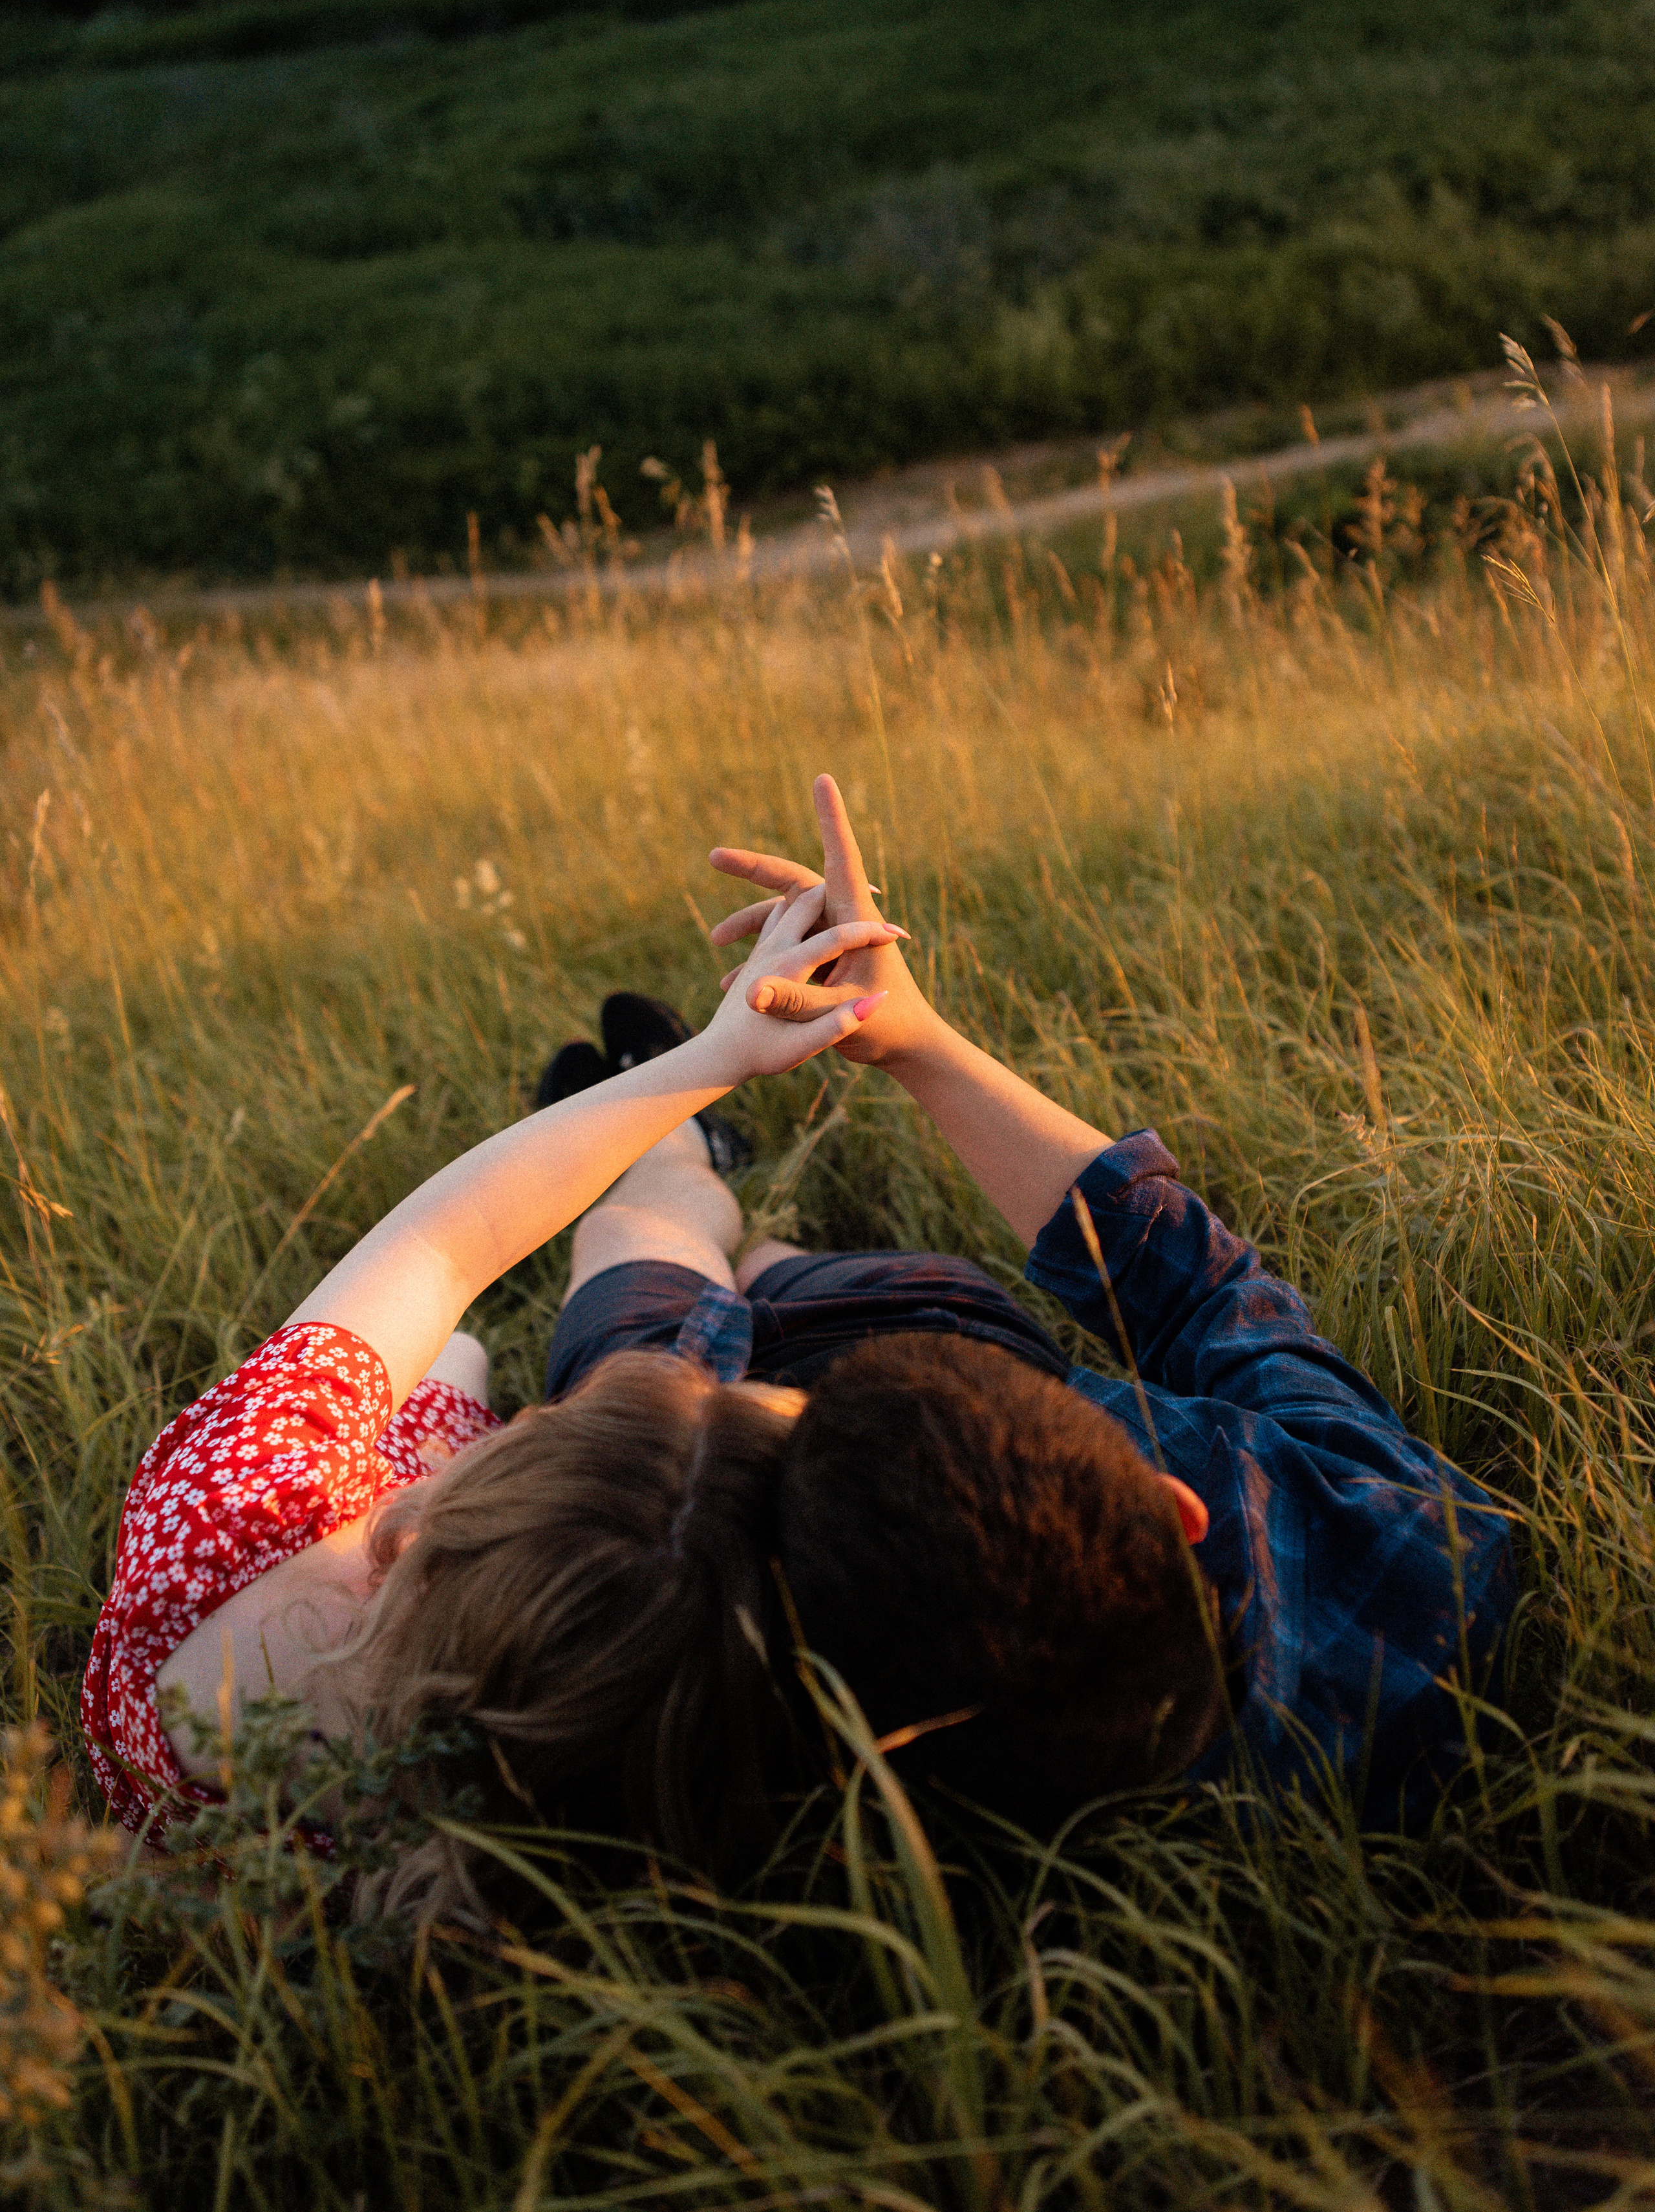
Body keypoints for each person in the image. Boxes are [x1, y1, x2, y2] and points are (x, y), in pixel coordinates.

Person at [544, 774, 1515, 1836]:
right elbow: (1198, 1285)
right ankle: (729, 1213)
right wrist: (911, 1035)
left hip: (722, 1437)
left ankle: (670, 1143)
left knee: (648, 1233)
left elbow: (667, 1492)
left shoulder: (1435, 1553)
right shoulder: (1406, 1555)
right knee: (767, 1259)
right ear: (1172, 1505)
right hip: (915, 1385)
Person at [80, 877, 904, 1895]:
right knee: (484, 1341)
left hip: (298, 1521)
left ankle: (669, 1128)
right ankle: (678, 1154)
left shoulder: (236, 1496)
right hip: (408, 1525)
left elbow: (442, 1243)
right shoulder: (536, 1838)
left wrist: (718, 1056)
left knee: (460, 1347)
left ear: (425, 1525)